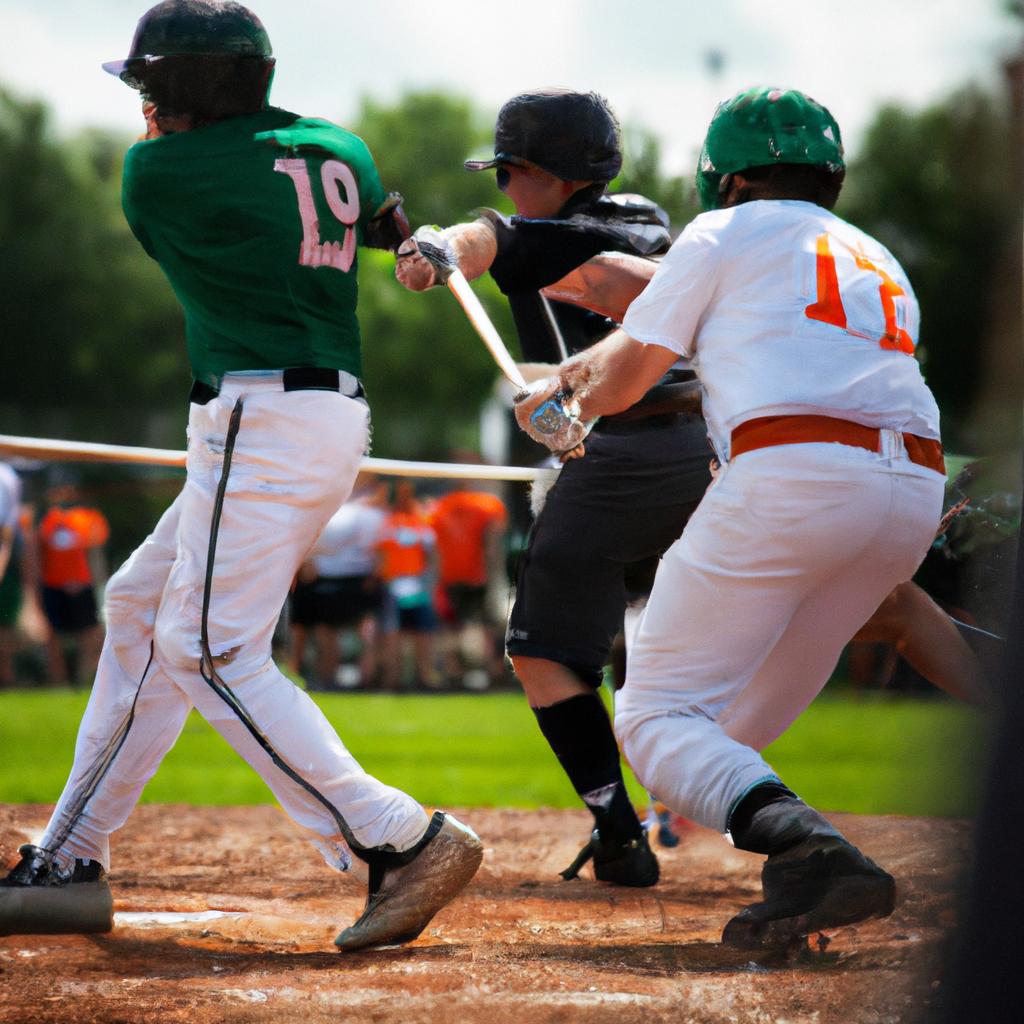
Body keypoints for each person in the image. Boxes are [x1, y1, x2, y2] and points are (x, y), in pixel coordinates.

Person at [0, 0, 482, 951]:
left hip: (259, 414)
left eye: (153, 86)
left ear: (186, 87)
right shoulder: (340, 145)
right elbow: (371, 217)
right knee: (141, 606)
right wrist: (406, 236)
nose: (144, 105)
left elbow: (238, 203)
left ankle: (395, 838)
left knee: (211, 647)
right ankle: (69, 855)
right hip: (317, 416)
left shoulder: (156, 174)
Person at [514, 86, 947, 947]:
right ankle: (798, 869)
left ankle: (818, 857)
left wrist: (560, 401)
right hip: (911, 489)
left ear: (726, 175)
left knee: (650, 716)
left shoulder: (720, 231)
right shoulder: (878, 256)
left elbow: (633, 372)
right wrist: (579, 384)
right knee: (720, 735)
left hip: (795, 473)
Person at [397, 89, 712, 886]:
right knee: (654, 644)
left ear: (549, 174)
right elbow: (508, 233)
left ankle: (617, 830)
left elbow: (489, 239)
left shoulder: (542, 239)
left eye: (510, 169)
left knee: (539, 651)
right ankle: (673, 810)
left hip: (620, 458)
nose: (503, 184)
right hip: (708, 453)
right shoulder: (644, 216)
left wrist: (439, 246)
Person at [289, 473, 387, 690]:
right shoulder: (348, 512)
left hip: (352, 580)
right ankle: (331, 679)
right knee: (327, 633)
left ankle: (350, 679)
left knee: (345, 633)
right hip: (336, 580)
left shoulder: (360, 513)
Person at [427, 467, 508, 689]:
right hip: (477, 576)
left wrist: (435, 579)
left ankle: (456, 675)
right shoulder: (486, 505)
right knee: (486, 627)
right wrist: (494, 576)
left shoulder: (437, 508)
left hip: (452, 576)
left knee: (453, 627)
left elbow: (435, 550)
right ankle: (493, 674)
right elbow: (492, 544)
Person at [36, 476, 109, 687]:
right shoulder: (45, 520)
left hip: (82, 585)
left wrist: (98, 584)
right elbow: (38, 556)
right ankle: (58, 682)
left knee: (90, 635)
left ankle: (82, 679)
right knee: (53, 636)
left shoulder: (89, 518)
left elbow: (95, 553)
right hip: (53, 585)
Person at [376, 480, 441, 690]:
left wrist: (430, 583)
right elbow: (380, 555)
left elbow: (432, 555)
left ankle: (425, 677)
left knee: (424, 633)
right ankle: (392, 680)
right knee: (392, 634)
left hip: (418, 586)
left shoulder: (421, 523)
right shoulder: (387, 523)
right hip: (394, 586)